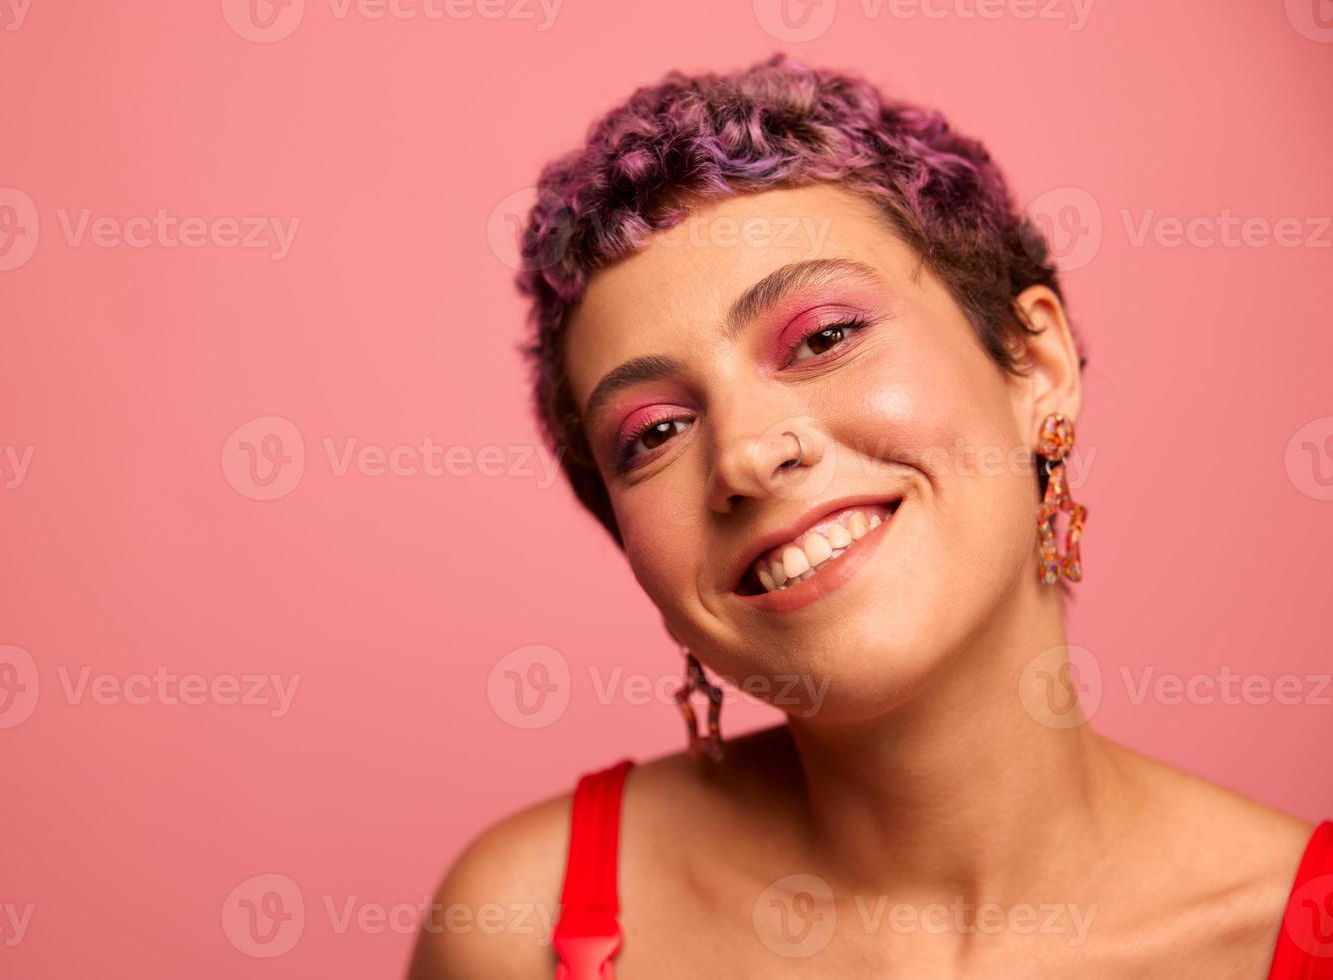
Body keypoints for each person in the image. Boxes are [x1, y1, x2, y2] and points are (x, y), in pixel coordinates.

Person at [408, 54, 1331, 978]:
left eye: (823, 338)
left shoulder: (1297, 928)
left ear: (1034, 366)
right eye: (654, 433)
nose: (741, 455)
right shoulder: (516, 923)